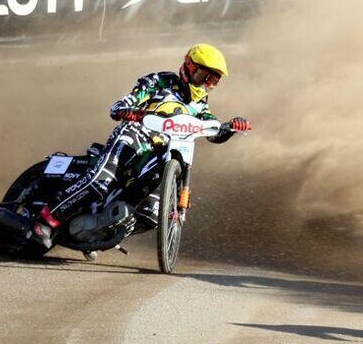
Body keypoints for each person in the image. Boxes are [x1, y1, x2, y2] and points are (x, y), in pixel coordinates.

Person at [33, 44, 252, 248]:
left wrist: (230, 127)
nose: (206, 84)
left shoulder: (200, 105)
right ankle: (47, 220)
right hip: (135, 134)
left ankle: (100, 232)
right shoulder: (162, 81)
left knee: (153, 214)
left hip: (161, 154)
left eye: (213, 81)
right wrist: (128, 110)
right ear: (189, 67)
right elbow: (122, 105)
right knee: (101, 180)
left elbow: (212, 132)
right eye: (204, 76)